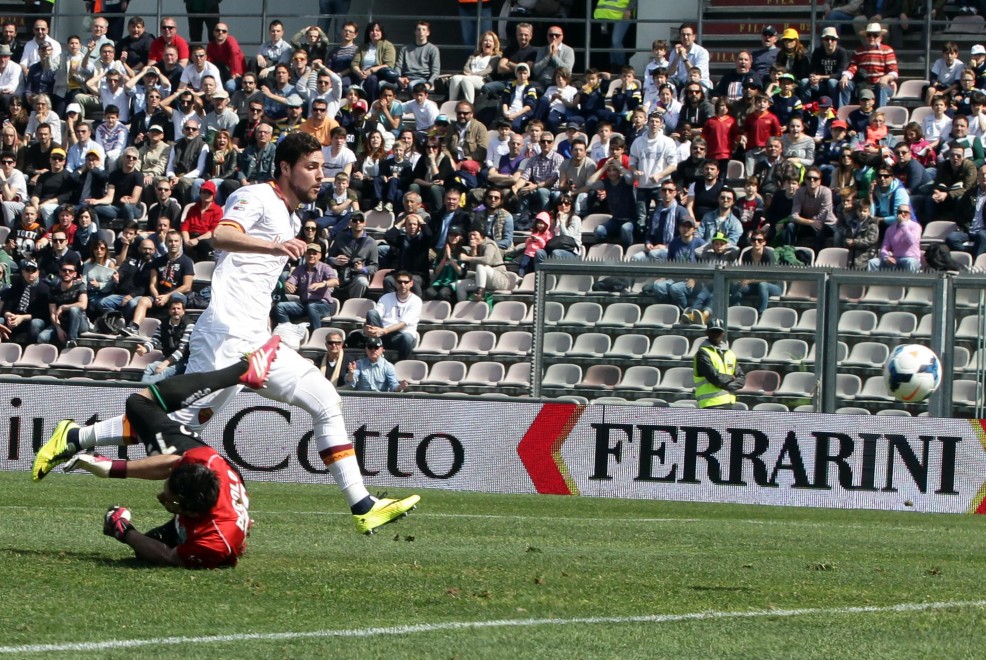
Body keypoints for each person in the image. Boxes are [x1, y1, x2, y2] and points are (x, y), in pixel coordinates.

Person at [35, 132, 420, 535]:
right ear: (286, 168)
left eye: (322, 167)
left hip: (255, 337)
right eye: (312, 167)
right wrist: (274, 248)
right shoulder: (256, 196)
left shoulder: (289, 216)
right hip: (225, 334)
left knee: (325, 400)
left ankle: (363, 505)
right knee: (179, 424)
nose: (320, 175)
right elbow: (220, 235)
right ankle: (78, 435)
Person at [40, 350, 281, 567]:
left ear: (192, 513)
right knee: (139, 403)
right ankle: (241, 369)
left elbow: (169, 556)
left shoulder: (215, 541)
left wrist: (123, 531)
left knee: (145, 551)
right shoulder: (207, 463)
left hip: (221, 526)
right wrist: (111, 468)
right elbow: (170, 461)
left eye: (171, 500)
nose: (161, 496)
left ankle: (90, 435)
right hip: (223, 477)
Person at [273, 242, 339, 330]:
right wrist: (287, 285)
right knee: (280, 306)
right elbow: (291, 281)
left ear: (320, 255)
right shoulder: (299, 269)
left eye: (314, 253)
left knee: (312, 307)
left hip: (322, 305)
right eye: (309, 253)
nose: (311, 256)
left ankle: (316, 334)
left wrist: (323, 283)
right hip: (304, 304)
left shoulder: (325, 268)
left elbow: (335, 281)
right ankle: (288, 331)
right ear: (305, 255)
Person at [136, 293, 194, 383]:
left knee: (163, 372)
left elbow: (183, 349)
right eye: (173, 308)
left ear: (183, 311)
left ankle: (144, 391)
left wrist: (165, 363)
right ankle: (143, 390)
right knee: (149, 368)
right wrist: (145, 349)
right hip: (168, 357)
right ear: (169, 311)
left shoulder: (189, 325)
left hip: (184, 361)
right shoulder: (163, 324)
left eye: (179, 308)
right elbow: (155, 340)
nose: (176, 311)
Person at [693, 318, 746, 409]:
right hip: (710, 403)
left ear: (723, 333)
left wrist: (728, 385)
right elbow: (715, 378)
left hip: (729, 402)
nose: (716, 335)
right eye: (713, 331)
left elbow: (741, 378)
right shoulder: (702, 354)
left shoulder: (730, 354)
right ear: (707, 333)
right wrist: (731, 378)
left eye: (718, 331)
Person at [867, 204, 921, 271]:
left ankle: (910, 281)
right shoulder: (890, 229)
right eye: (900, 212)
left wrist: (903, 225)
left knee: (910, 262)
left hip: (911, 258)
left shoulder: (915, 226)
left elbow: (912, 241)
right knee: (873, 262)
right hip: (895, 258)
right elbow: (884, 248)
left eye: (905, 212)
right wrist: (886, 258)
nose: (903, 214)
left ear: (910, 214)